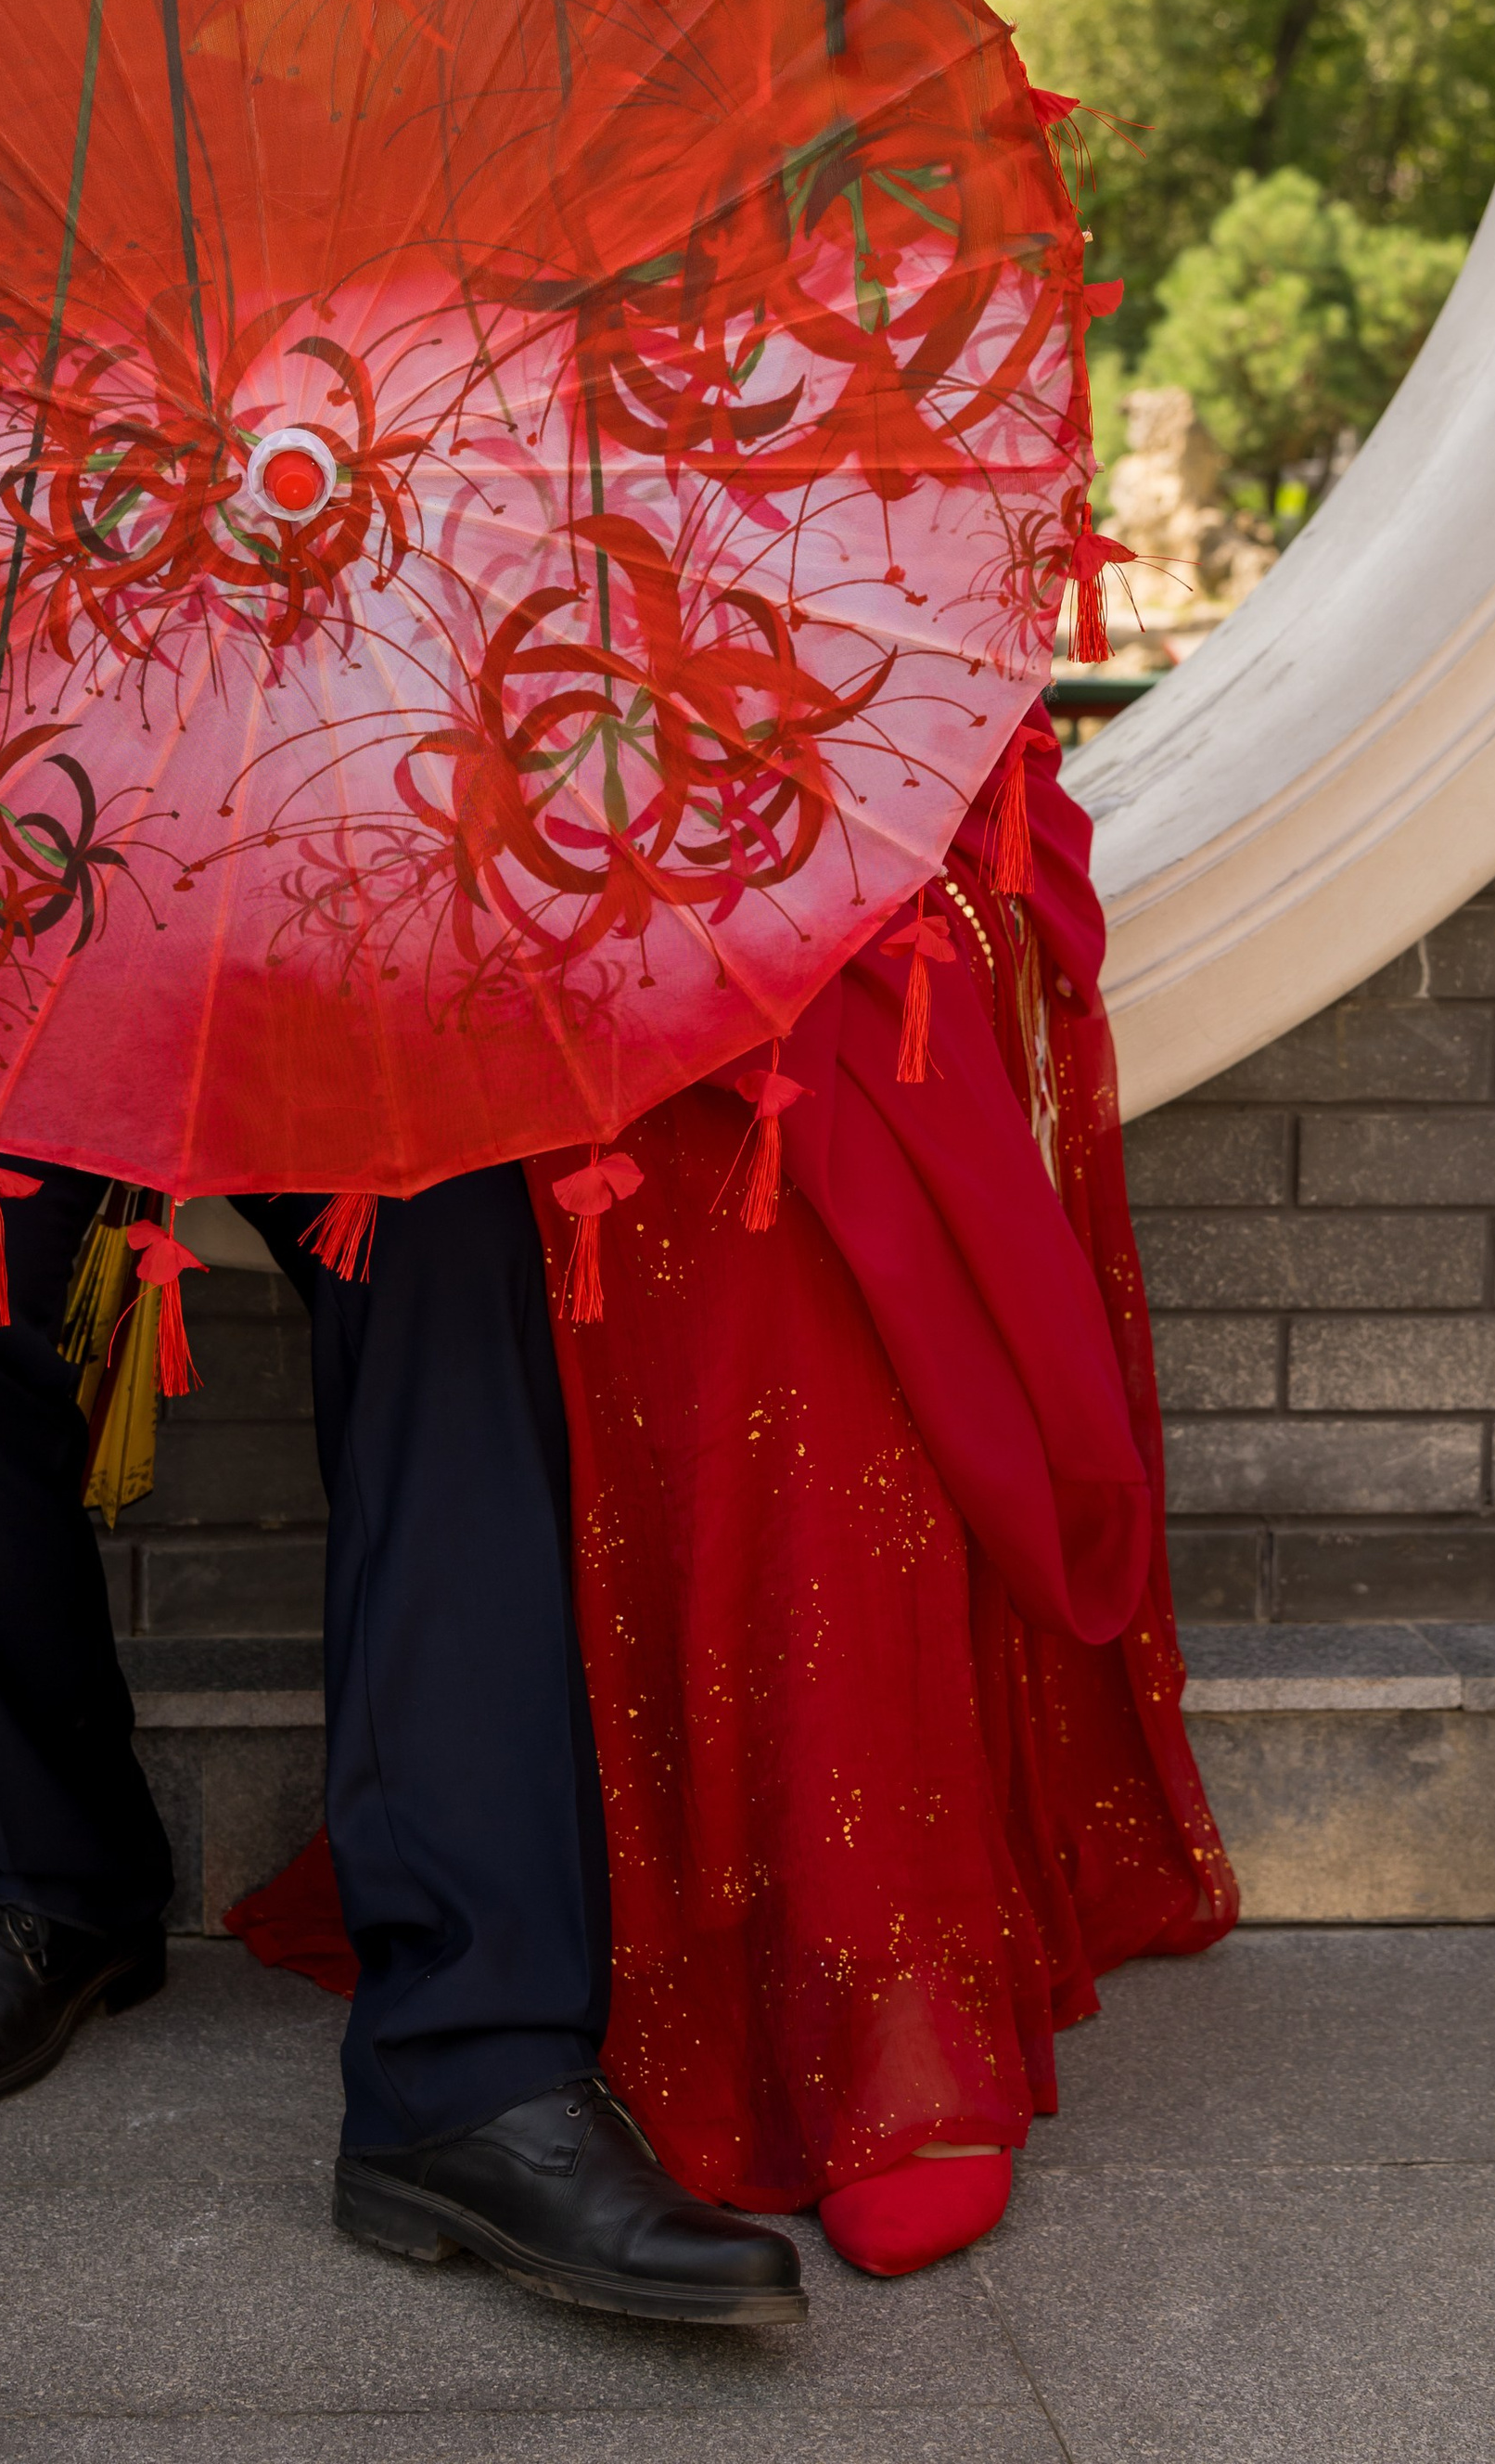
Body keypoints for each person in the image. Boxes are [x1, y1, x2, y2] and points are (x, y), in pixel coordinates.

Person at [233, 705, 1236, 2279]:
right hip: (458, 822)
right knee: (535, 1211)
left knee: (799, 1236)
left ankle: (873, 1970)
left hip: (792, 760)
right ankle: (599, 1960)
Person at [0, 1099, 807, 2329]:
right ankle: (55, 1881)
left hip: (344, 961)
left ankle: (477, 2064)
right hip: (13, 956)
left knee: (455, 1277)